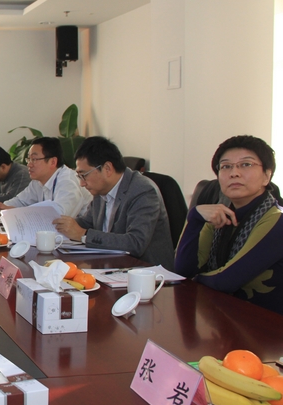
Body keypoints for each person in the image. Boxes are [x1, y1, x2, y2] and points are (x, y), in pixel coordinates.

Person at [175, 135, 283, 315]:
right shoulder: (221, 214)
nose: (234, 173)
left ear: (267, 176)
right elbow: (183, 269)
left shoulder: (277, 221)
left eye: (246, 164)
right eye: (226, 166)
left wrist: (194, 279)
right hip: (225, 315)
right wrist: (195, 217)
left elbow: (226, 281)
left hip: (267, 325)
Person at [53, 136, 174, 269]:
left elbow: (135, 243)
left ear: (107, 168)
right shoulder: (100, 191)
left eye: (84, 175)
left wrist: (83, 234)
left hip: (147, 273)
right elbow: (87, 222)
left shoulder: (143, 191)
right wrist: (58, 225)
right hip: (110, 266)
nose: (82, 183)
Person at [0, 137, 91, 216]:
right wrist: (3, 206)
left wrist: (15, 211)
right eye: (29, 159)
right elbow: (21, 201)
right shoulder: (38, 181)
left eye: (34, 159)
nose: (29, 164)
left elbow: (58, 216)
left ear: (53, 162)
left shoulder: (68, 181)